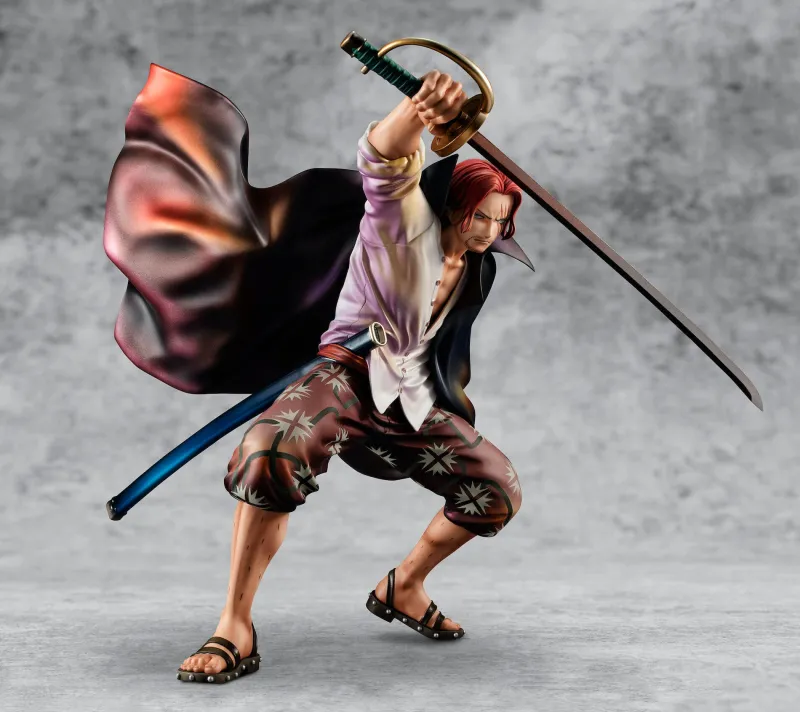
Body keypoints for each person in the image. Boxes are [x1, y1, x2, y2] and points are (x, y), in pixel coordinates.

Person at [176, 70, 527, 681]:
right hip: (343, 377)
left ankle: (404, 585)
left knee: (496, 488)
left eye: (502, 222)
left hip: (408, 396)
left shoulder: (476, 267)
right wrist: (418, 110)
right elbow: (384, 160)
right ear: (457, 205)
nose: (491, 232)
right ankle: (235, 623)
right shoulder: (400, 224)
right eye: (483, 217)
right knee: (270, 454)